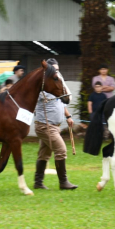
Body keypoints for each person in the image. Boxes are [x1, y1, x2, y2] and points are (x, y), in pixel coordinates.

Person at [33, 59, 78, 190]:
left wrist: (68, 116)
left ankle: (38, 182)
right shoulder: (43, 85)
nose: (56, 72)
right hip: (45, 125)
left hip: (54, 126)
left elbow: (61, 102)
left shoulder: (57, 83)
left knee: (44, 154)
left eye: (57, 69)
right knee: (61, 150)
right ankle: (63, 182)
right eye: (54, 69)